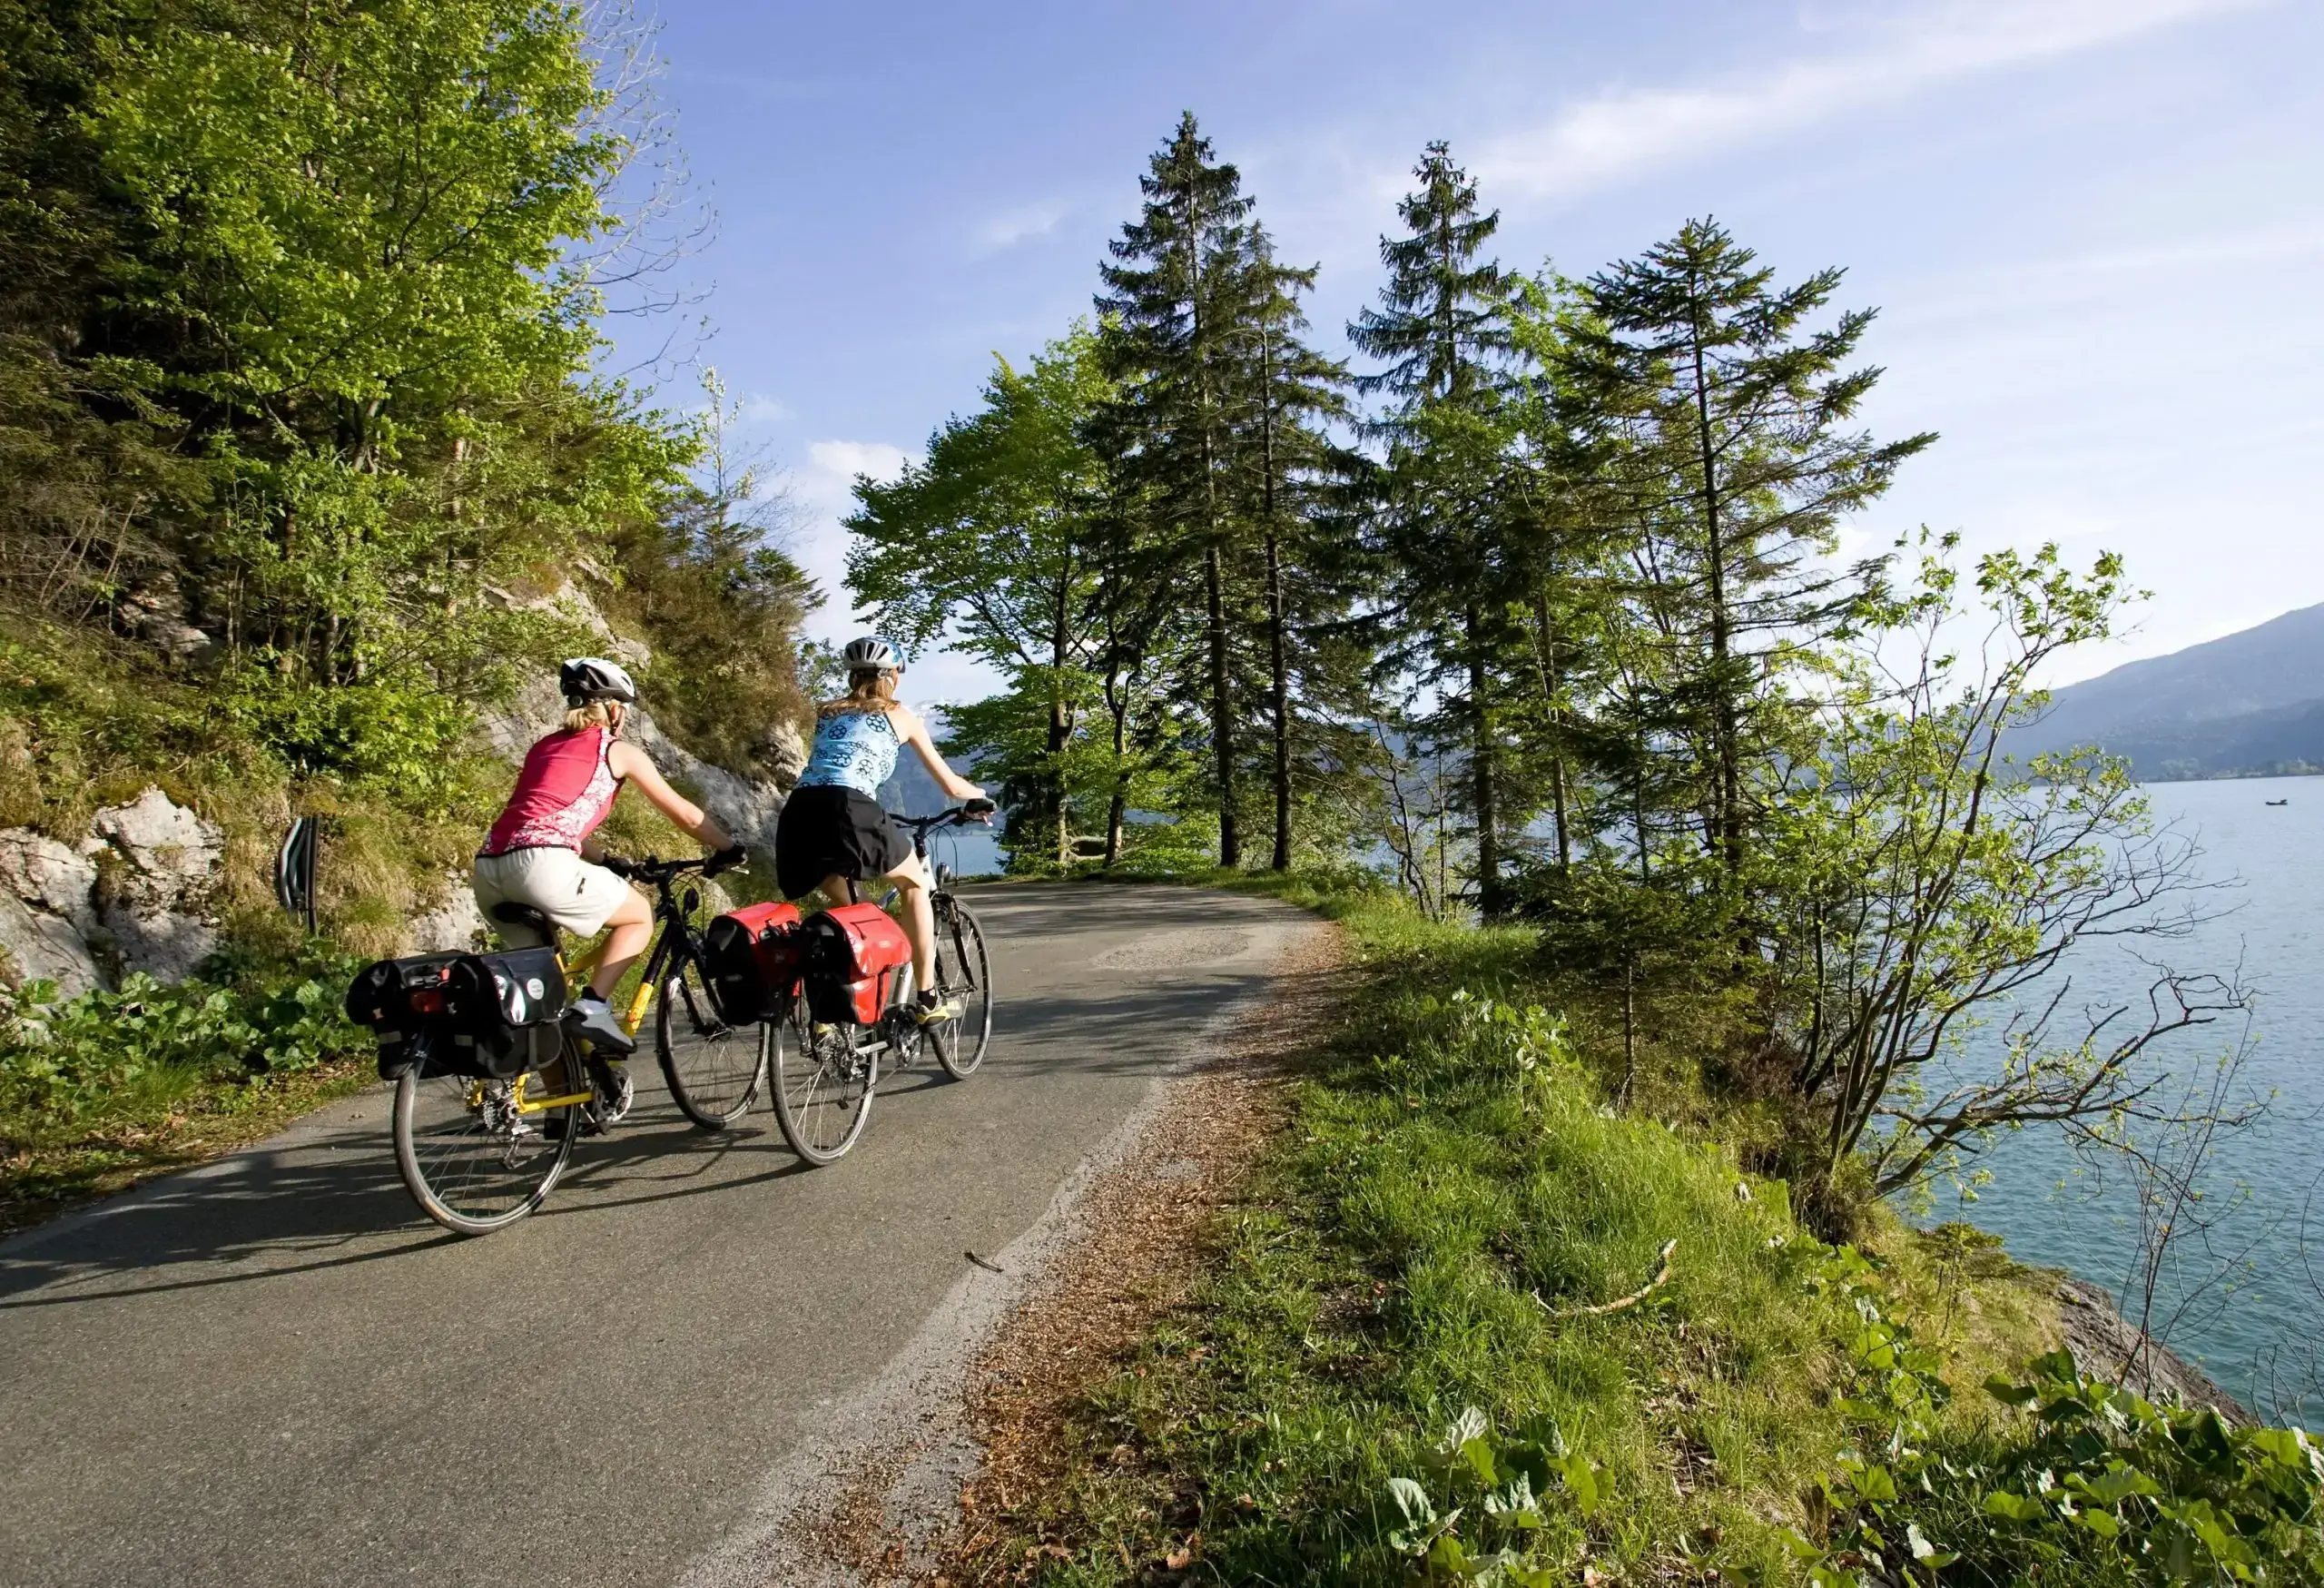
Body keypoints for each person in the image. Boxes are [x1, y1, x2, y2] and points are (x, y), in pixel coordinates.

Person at [475, 657, 744, 1069]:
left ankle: (559, 1110)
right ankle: (595, 1006)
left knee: (541, 998)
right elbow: (686, 815)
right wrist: (728, 848)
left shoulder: (543, 747)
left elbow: (549, 817)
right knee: (638, 916)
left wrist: (611, 860)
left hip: (490, 868)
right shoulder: (616, 750)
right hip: (542, 865)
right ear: (615, 709)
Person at [776, 636, 986, 1024]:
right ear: (892, 677)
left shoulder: (827, 712)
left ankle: (827, 1019)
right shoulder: (902, 716)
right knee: (915, 886)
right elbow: (952, 787)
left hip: (799, 813)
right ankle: (926, 999)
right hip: (848, 807)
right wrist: (980, 795)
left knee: (855, 917)